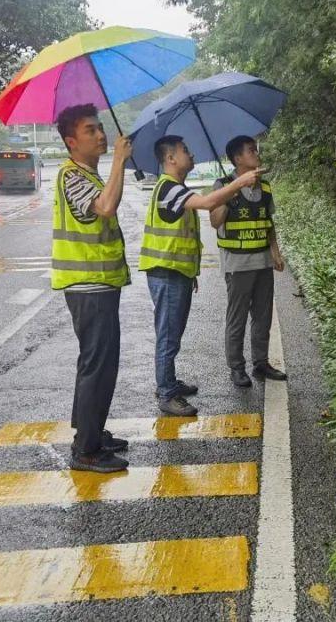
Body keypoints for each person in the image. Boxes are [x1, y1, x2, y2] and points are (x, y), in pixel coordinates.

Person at [140, 135, 265, 416]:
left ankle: (169, 381)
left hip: (178, 271)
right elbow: (209, 203)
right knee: (168, 335)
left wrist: (190, 272)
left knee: (173, 333)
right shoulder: (168, 188)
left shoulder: (177, 188)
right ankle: (166, 392)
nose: (191, 154)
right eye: (185, 150)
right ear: (170, 158)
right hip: (166, 272)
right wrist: (238, 183)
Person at [51, 103, 132, 473]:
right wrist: (118, 160)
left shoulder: (89, 174)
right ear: (71, 141)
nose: (100, 135)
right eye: (90, 131)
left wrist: (115, 166)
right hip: (88, 286)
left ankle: (91, 431)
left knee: (100, 364)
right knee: (96, 365)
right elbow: (105, 208)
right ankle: (86, 450)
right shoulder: (72, 176)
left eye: (100, 128)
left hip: (100, 284)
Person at [210, 135, 288, 388]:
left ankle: (261, 364)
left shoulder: (264, 187)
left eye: (255, 149)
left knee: (263, 316)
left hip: (263, 262)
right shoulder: (222, 185)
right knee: (238, 318)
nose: (256, 154)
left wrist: (275, 252)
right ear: (238, 159)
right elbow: (215, 221)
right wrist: (230, 193)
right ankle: (236, 367)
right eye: (251, 151)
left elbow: (268, 221)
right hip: (238, 265)